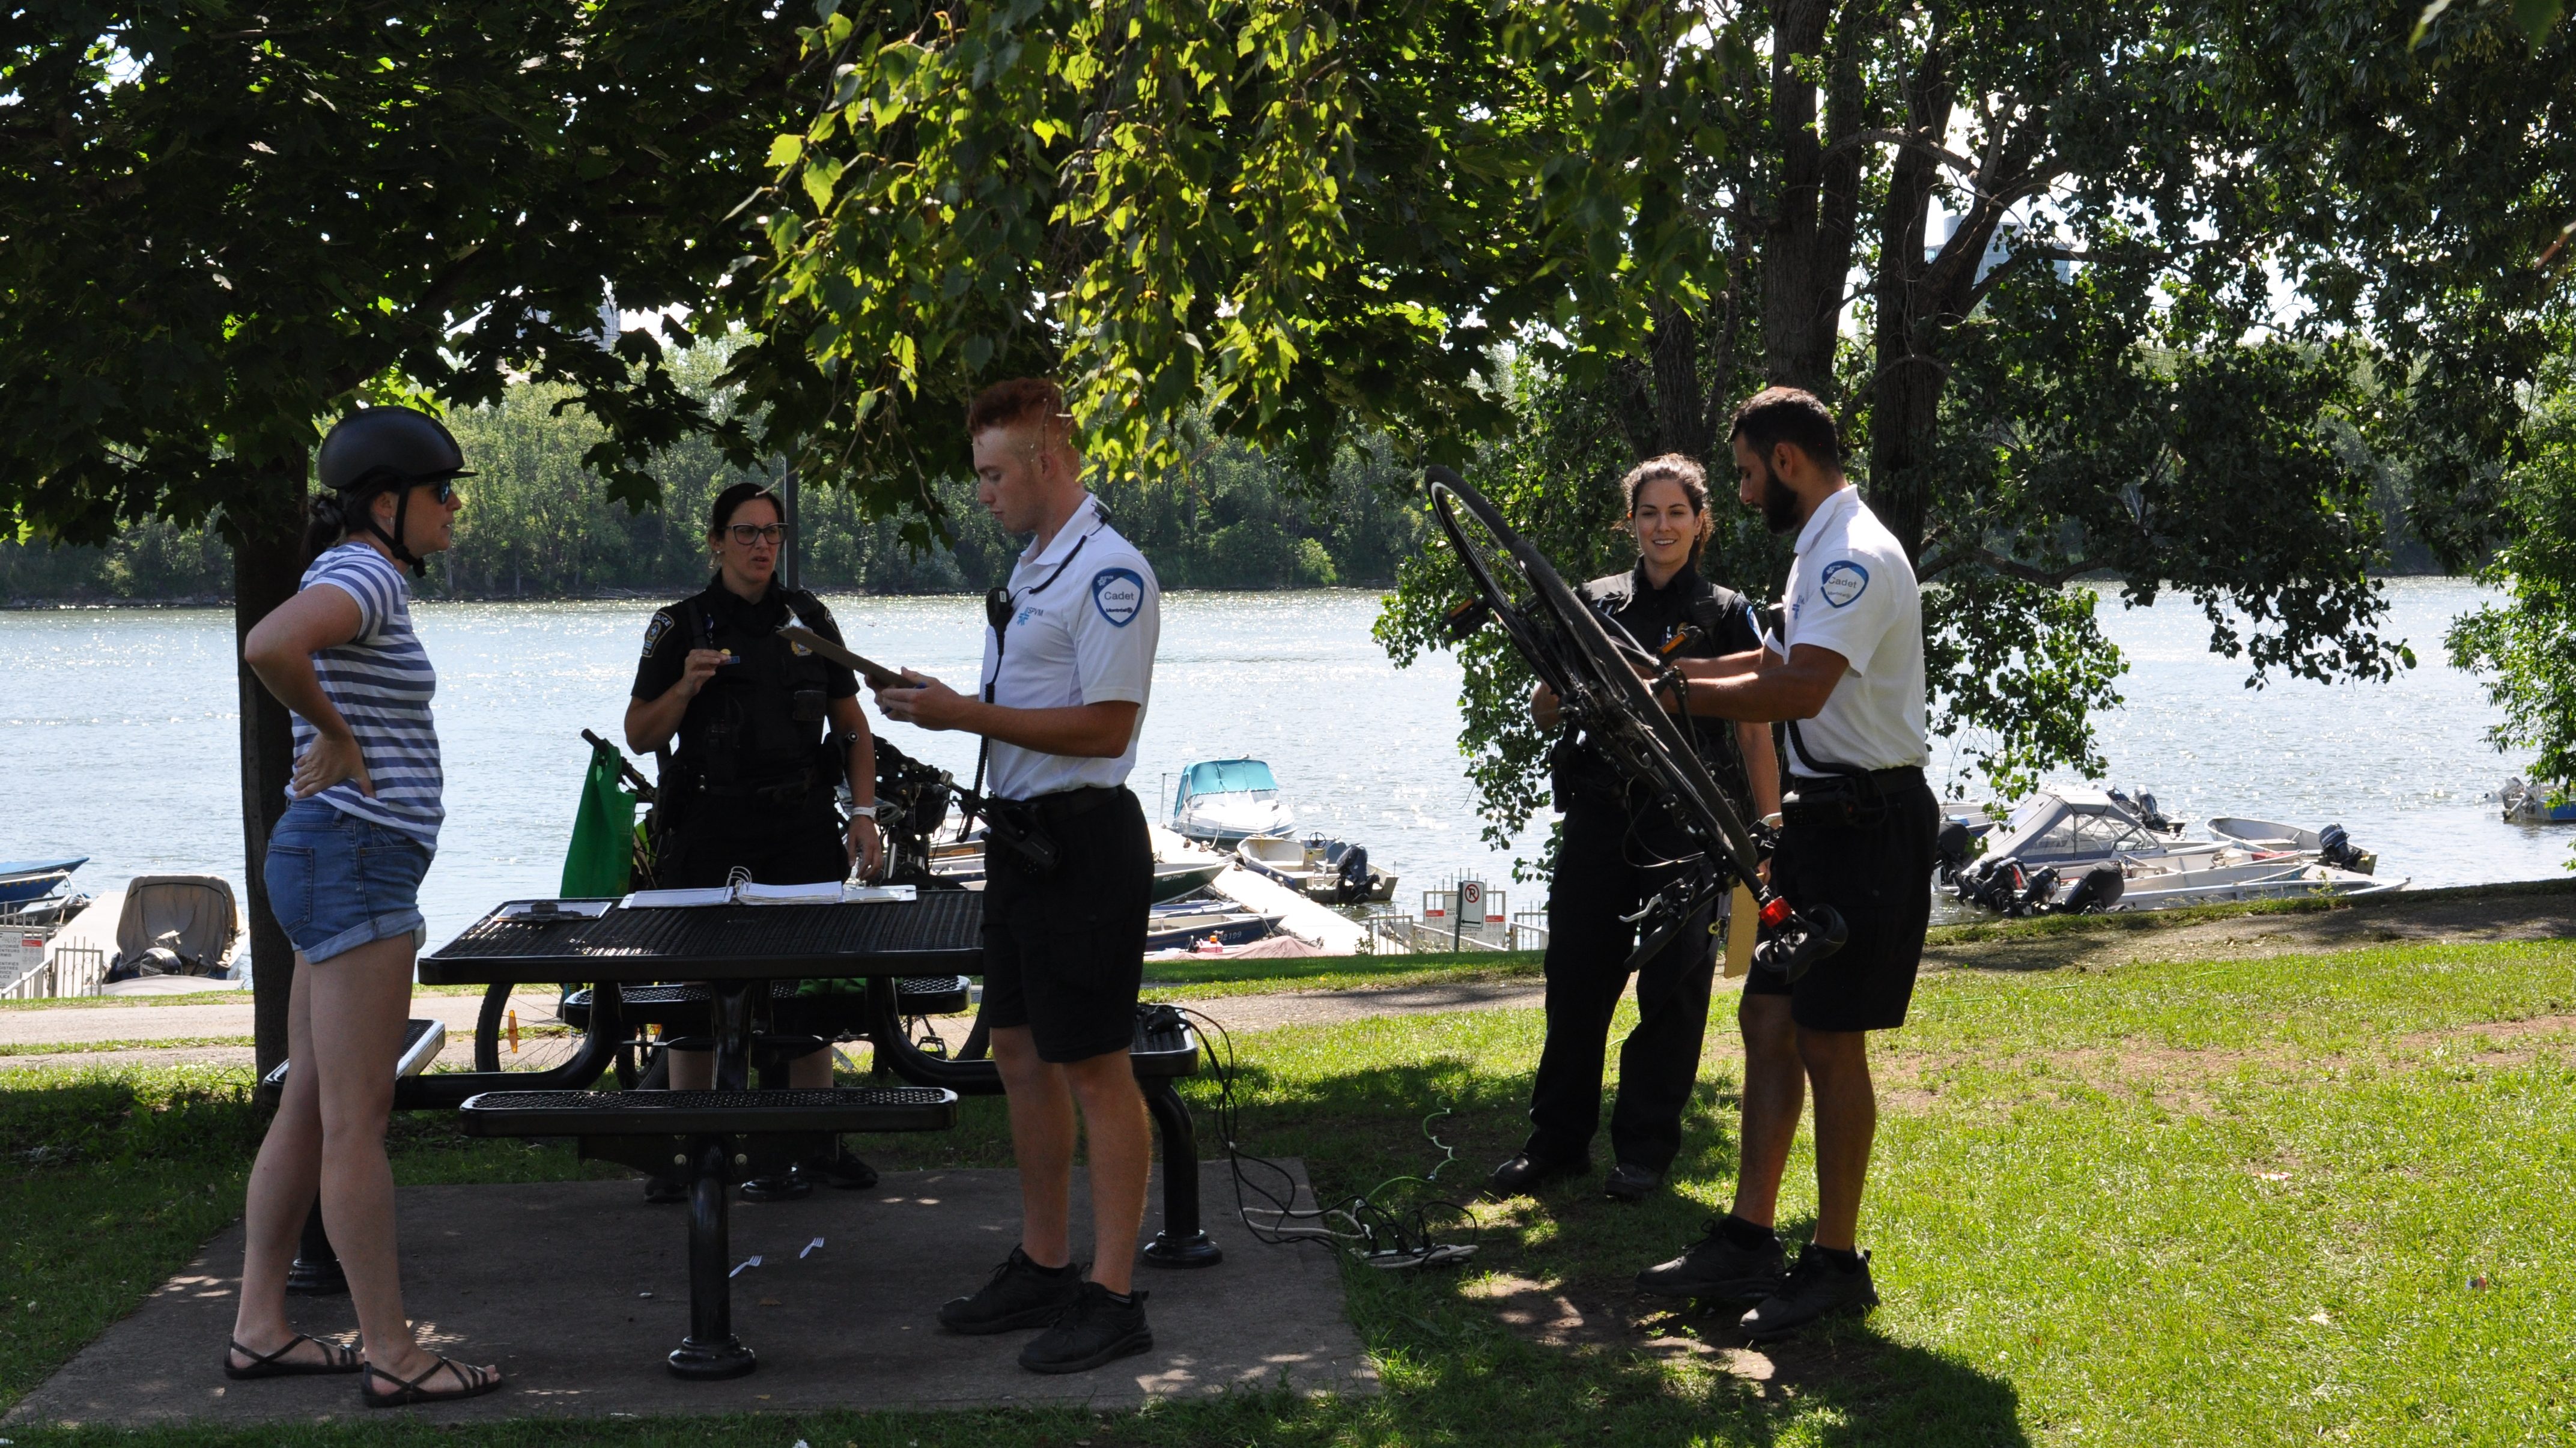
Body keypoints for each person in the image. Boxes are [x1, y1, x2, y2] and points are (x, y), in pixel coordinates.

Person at [1632, 386, 1937, 1339]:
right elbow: (1765, 665)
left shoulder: (1854, 557)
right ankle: (1749, 1236)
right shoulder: (1815, 551)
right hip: (1818, 822)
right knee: (1767, 1015)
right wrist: (1663, 678)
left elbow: (1800, 688)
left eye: (1746, 472)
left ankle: (1836, 1261)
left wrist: (1676, 698)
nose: (1743, 490)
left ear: (1788, 460)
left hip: (1868, 826)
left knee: (1830, 1039)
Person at [872, 377, 1162, 1376]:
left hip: (1084, 840)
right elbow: (1028, 700)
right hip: (1024, 839)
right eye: (978, 475)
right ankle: (1044, 1262)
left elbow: (1108, 727)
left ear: (1046, 458)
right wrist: (946, 703)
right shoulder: (1038, 564)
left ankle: (1113, 1294)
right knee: (1017, 1050)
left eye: (994, 473)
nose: (983, 492)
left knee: (1096, 1065)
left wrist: (963, 714)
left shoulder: (1110, 571)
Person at [231, 406, 503, 1407]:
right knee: (356, 1120)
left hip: (335, 855)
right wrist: (336, 734)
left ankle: (260, 1327)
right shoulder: (367, 574)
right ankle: (395, 1352)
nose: (453, 506)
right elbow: (270, 644)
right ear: (385, 502)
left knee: (311, 1102)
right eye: (441, 491)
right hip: (353, 855)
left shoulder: (354, 572)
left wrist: (336, 728)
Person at [1487, 455, 1782, 1204]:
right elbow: (1542, 707)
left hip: (1687, 826)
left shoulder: (1727, 612)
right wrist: (1563, 689)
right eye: (1648, 512)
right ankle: (1556, 1144)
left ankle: (1644, 1151)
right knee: (1575, 983)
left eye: (1676, 512)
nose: (1662, 526)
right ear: (1631, 522)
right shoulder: (1593, 602)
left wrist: (1768, 828)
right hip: (1599, 817)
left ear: (1700, 522)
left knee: (1673, 989)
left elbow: (1755, 730)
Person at [626, 480, 887, 1201]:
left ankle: (812, 1141)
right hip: (708, 827)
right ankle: (689, 1149)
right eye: (745, 531)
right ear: (716, 541)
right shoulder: (679, 625)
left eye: (772, 532)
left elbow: (852, 725)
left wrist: (864, 812)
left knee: (805, 992)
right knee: (694, 996)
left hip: (800, 827)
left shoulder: (808, 618)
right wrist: (684, 687)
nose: (761, 544)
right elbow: (639, 732)